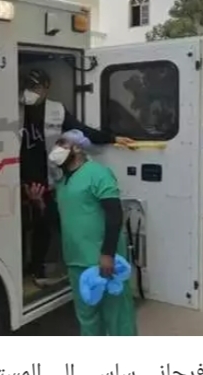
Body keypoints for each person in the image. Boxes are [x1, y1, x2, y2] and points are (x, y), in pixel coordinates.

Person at [19, 69, 134, 286]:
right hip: (16, 175)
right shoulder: (13, 107)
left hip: (45, 176)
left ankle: (39, 269)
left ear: (46, 88)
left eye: (35, 87)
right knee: (24, 224)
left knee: (47, 222)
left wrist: (112, 138)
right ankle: (27, 268)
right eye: (27, 87)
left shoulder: (56, 110)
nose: (30, 92)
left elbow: (82, 130)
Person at [26, 130, 137, 336]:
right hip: (77, 262)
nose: (56, 149)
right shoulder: (62, 184)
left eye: (62, 144)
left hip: (102, 261)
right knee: (87, 317)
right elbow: (61, 221)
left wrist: (107, 254)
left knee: (117, 317)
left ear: (77, 148)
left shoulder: (98, 173)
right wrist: (39, 203)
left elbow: (114, 215)